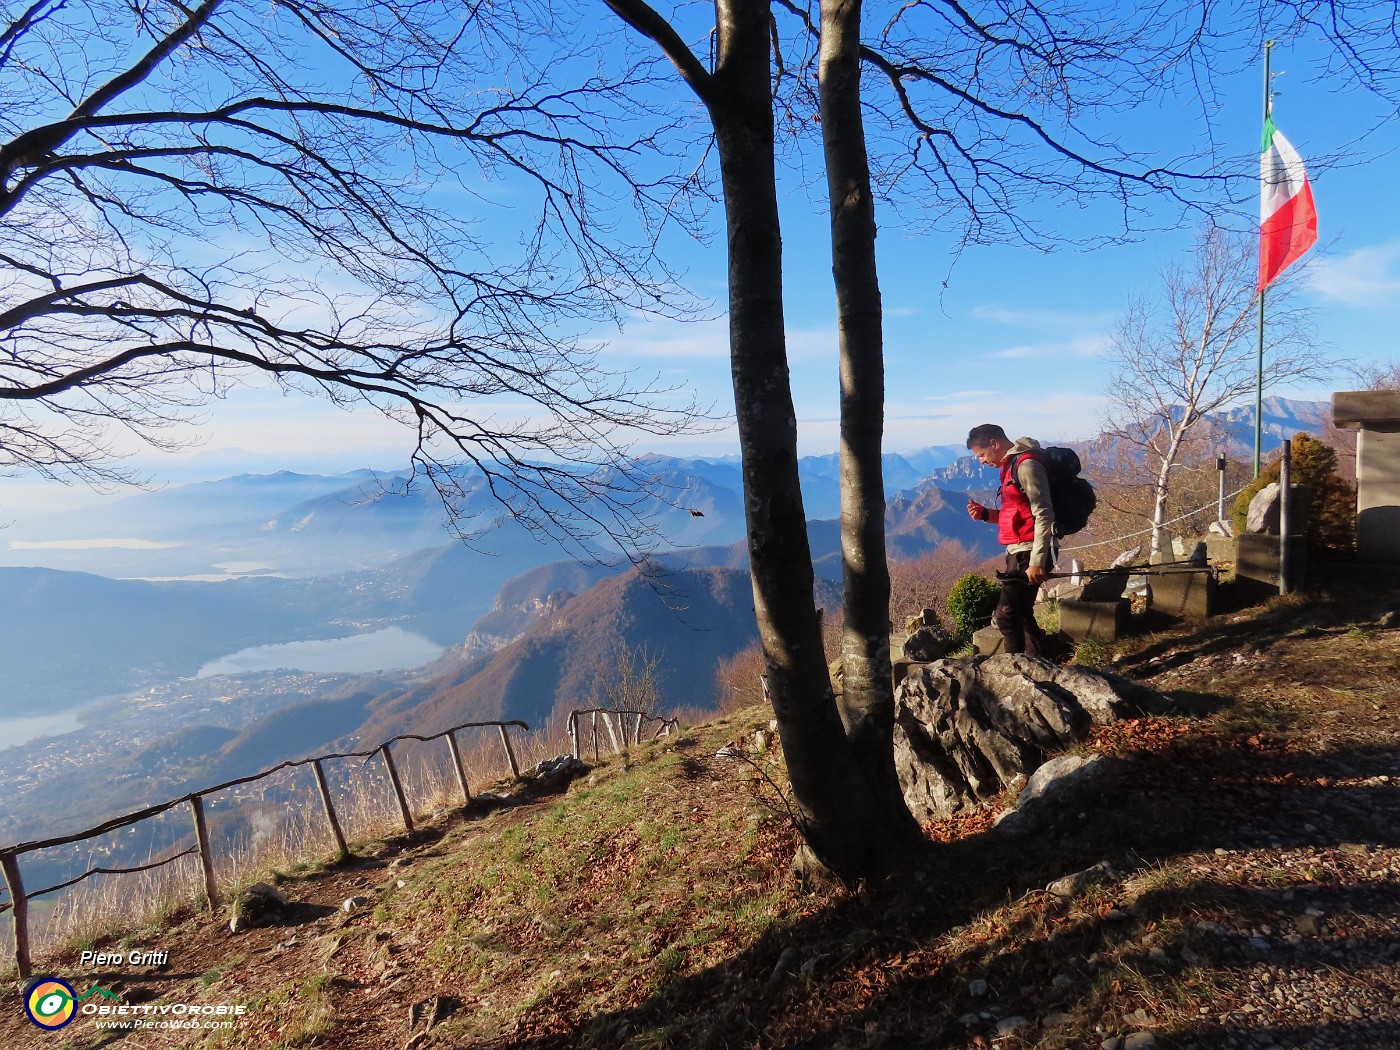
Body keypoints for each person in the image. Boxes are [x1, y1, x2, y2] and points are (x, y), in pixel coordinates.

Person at [964, 423, 1056, 658]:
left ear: (994, 443)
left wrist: (1037, 561)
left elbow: (1044, 513)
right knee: (1021, 612)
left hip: (1029, 551)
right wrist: (986, 514)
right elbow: (1017, 514)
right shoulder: (1009, 467)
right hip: (1019, 550)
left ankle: (1014, 668)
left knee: (1005, 615)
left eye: (982, 455)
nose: (982, 462)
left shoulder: (1026, 466)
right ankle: (1039, 663)